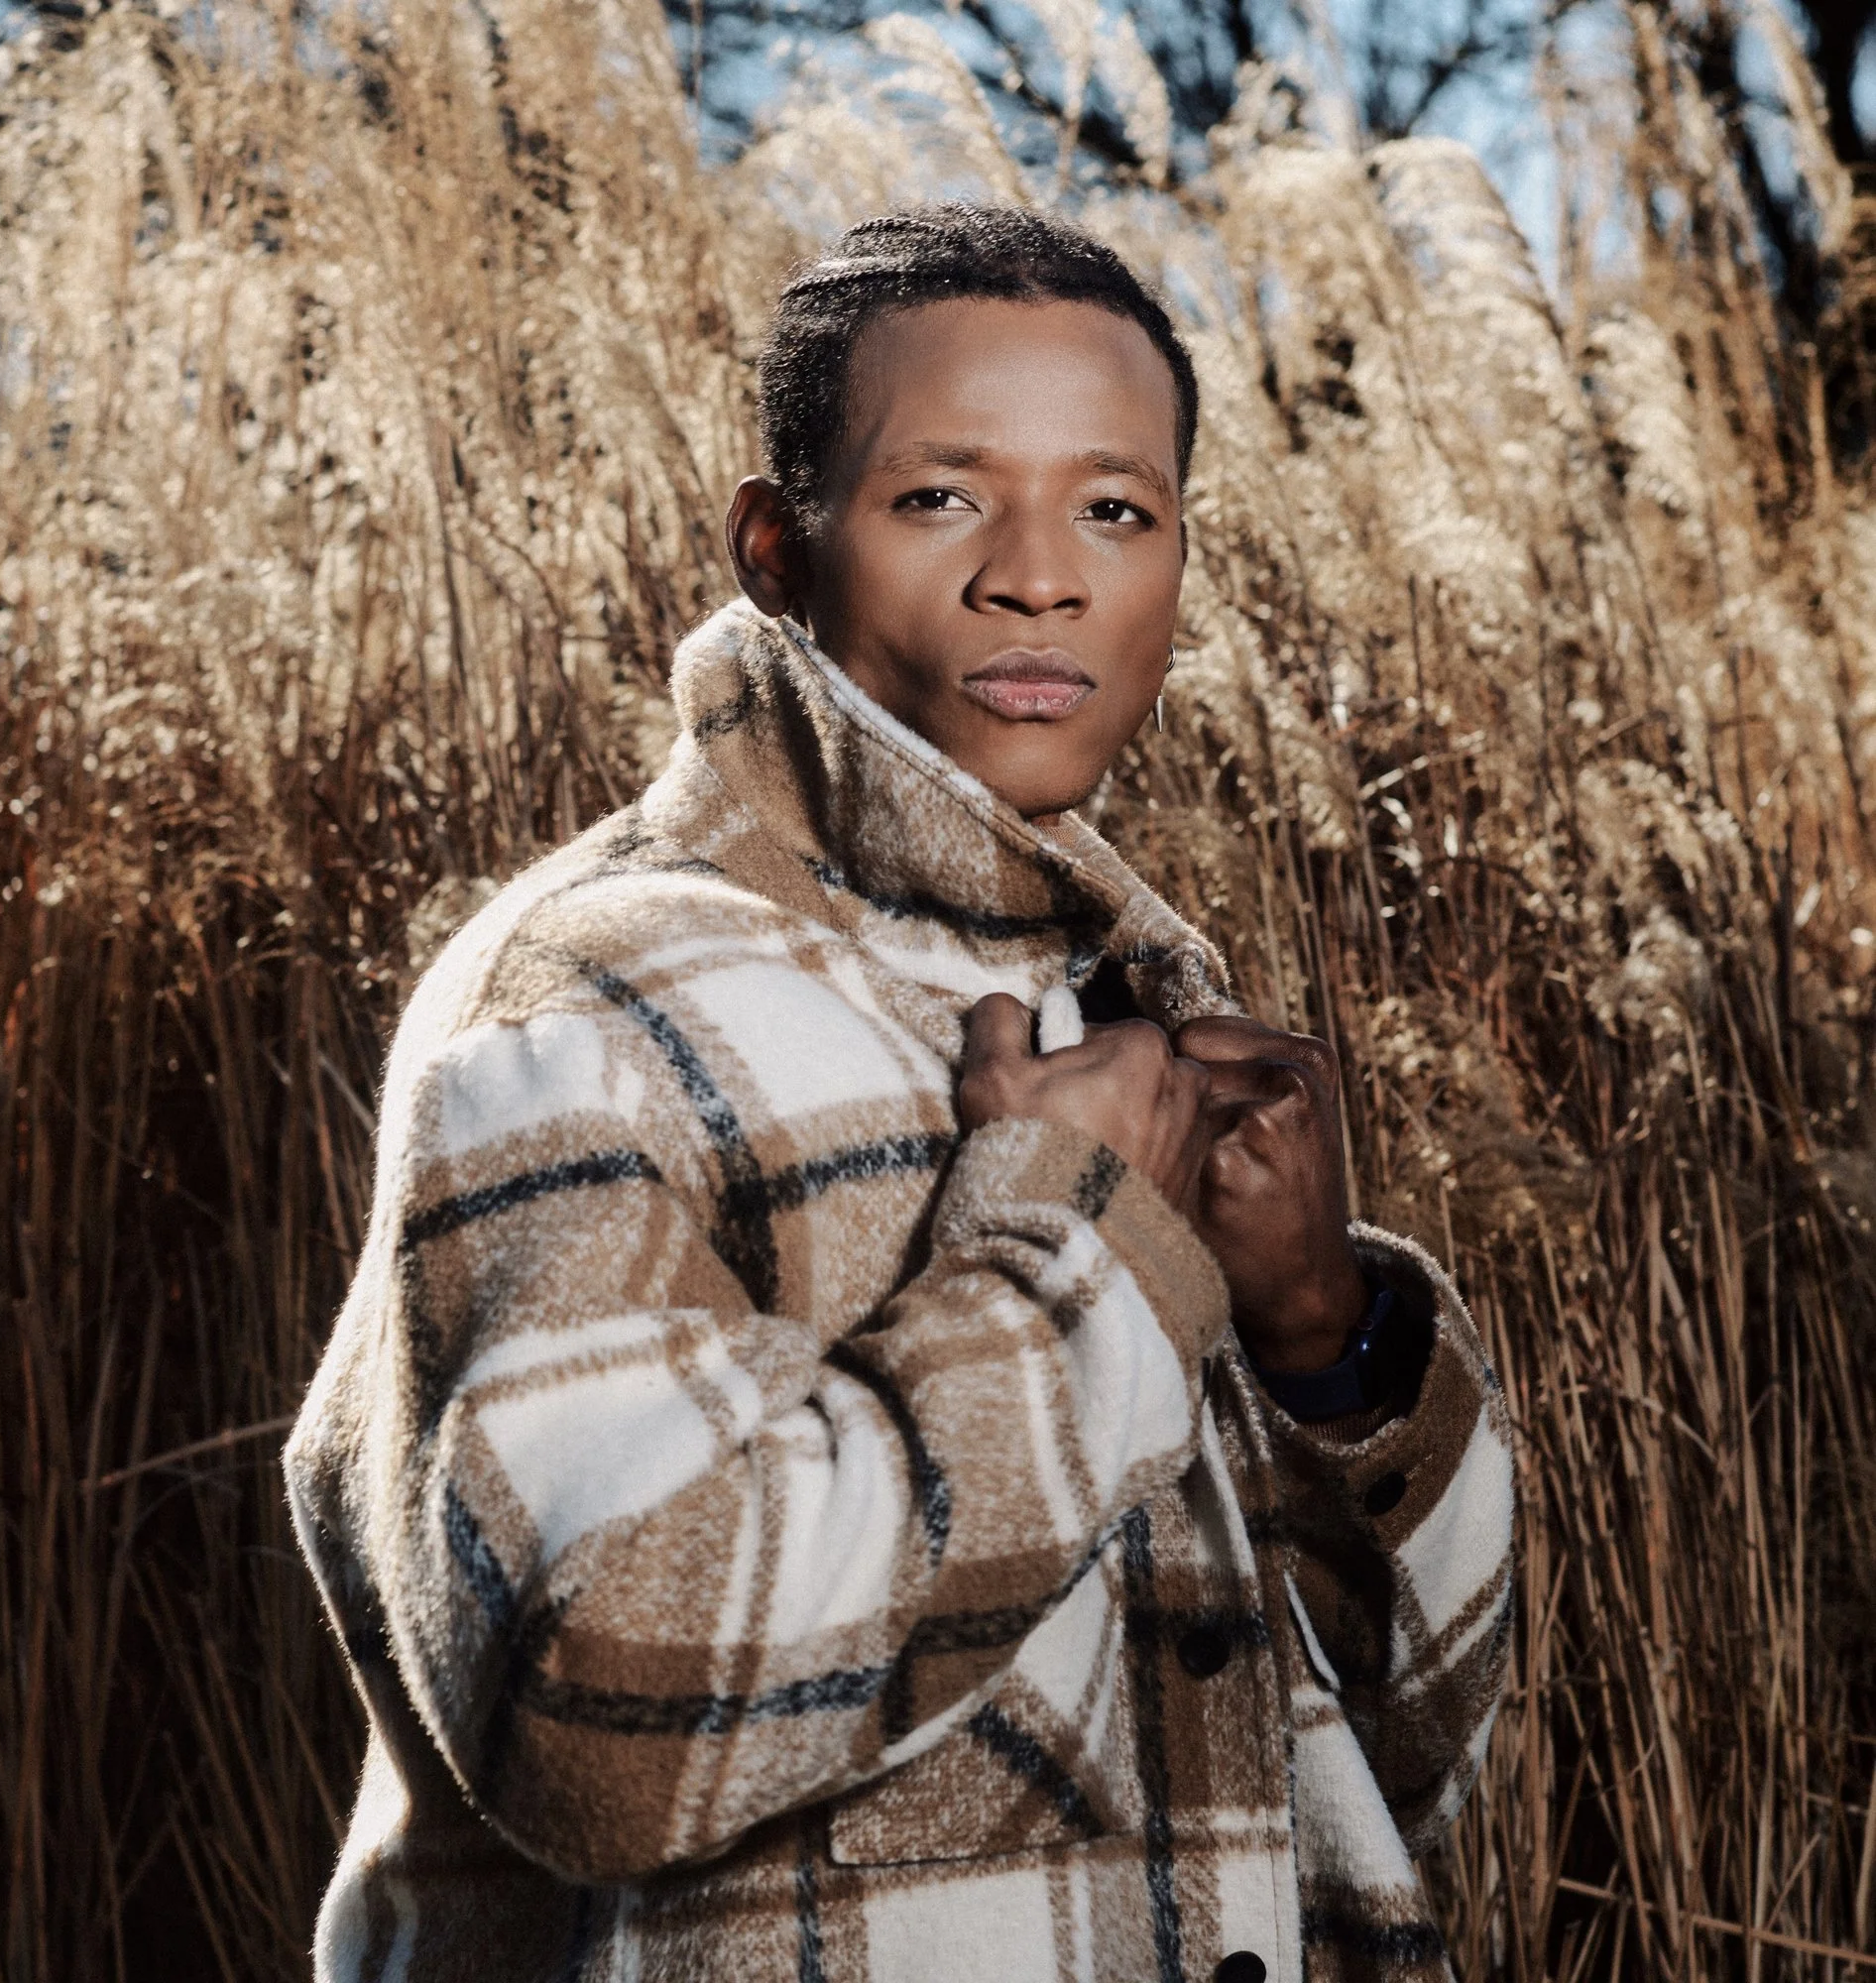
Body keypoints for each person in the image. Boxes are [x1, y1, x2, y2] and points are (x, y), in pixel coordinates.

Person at [284, 203, 1515, 1983]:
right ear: (775, 550)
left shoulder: (1127, 1021)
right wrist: (1071, 1269)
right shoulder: (591, 994)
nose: (1043, 575)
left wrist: (1324, 1335)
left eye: (1117, 507)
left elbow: (1409, 1779)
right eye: (944, 496)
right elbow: (601, 1710)